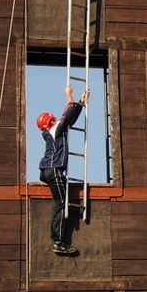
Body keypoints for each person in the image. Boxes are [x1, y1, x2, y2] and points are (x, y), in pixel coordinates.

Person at [36, 85, 89, 256]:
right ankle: (59, 242)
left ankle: (59, 239)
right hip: (54, 170)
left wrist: (81, 101)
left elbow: (70, 118)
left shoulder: (53, 130)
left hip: (46, 170)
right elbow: (67, 114)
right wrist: (69, 95)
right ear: (50, 121)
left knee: (60, 195)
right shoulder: (54, 129)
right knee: (59, 203)